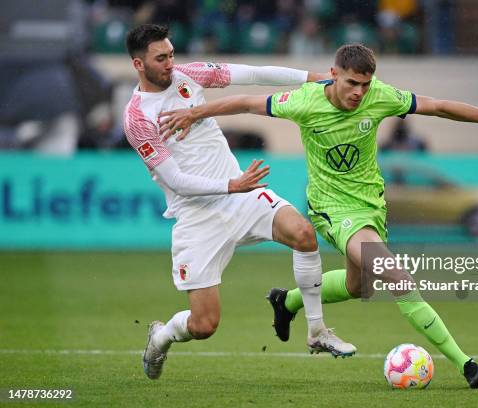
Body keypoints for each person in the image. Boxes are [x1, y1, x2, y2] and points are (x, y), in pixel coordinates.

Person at [158, 43, 478, 388]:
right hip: (331, 209)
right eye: (353, 83)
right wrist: (197, 112)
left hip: (371, 206)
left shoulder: (381, 97)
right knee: (395, 275)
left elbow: (438, 106)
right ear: (334, 74)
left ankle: (286, 301)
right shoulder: (304, 100)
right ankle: (466, 364)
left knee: (360, 287)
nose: (359, 92)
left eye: (365, 85)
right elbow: (245, 102)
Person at [123, 24, 356, 380]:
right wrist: (232, 184)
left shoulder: (189, 74)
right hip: (197, 217)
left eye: (171, 54)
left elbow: (254, 73)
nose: (170, 63)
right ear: (139, 64)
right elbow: (176, 182)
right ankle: (162, 335)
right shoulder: (137, 117)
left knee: (303, 234)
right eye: (161, 58)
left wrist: (316, 77)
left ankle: (317, 331)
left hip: (242, 198)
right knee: (204, 325)